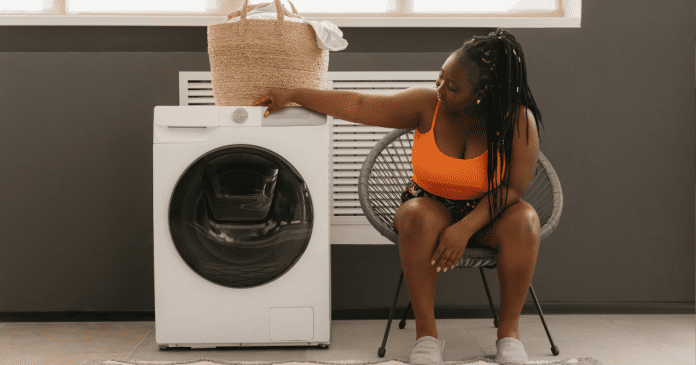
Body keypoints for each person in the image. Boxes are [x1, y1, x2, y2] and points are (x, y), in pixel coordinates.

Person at [253, 28, 544, 365]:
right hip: (432, 204)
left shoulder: (517, 120)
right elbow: (360, 105)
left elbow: (514, 188)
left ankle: (509, 335)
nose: (441, 89)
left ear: (484, 93)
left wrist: (464, 229)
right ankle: (427, 336)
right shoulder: (426, 105)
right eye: (441, 77)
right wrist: (294, 94)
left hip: (488, 213)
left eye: (453, 87)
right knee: (415, 216)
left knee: (526, 221)